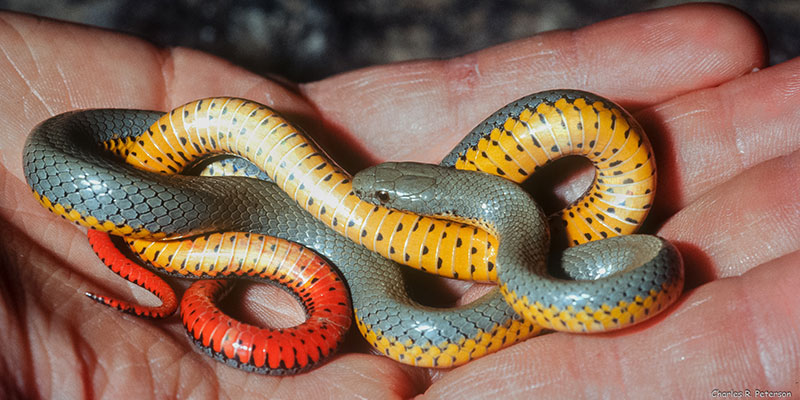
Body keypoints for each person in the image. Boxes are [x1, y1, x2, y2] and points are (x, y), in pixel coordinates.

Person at [1, 3, 797, 398]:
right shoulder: (80, 150)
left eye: (379, 194)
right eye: (373, 195)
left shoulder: (512, 228)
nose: (366, 195)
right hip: (202, 187)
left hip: (519, 246)